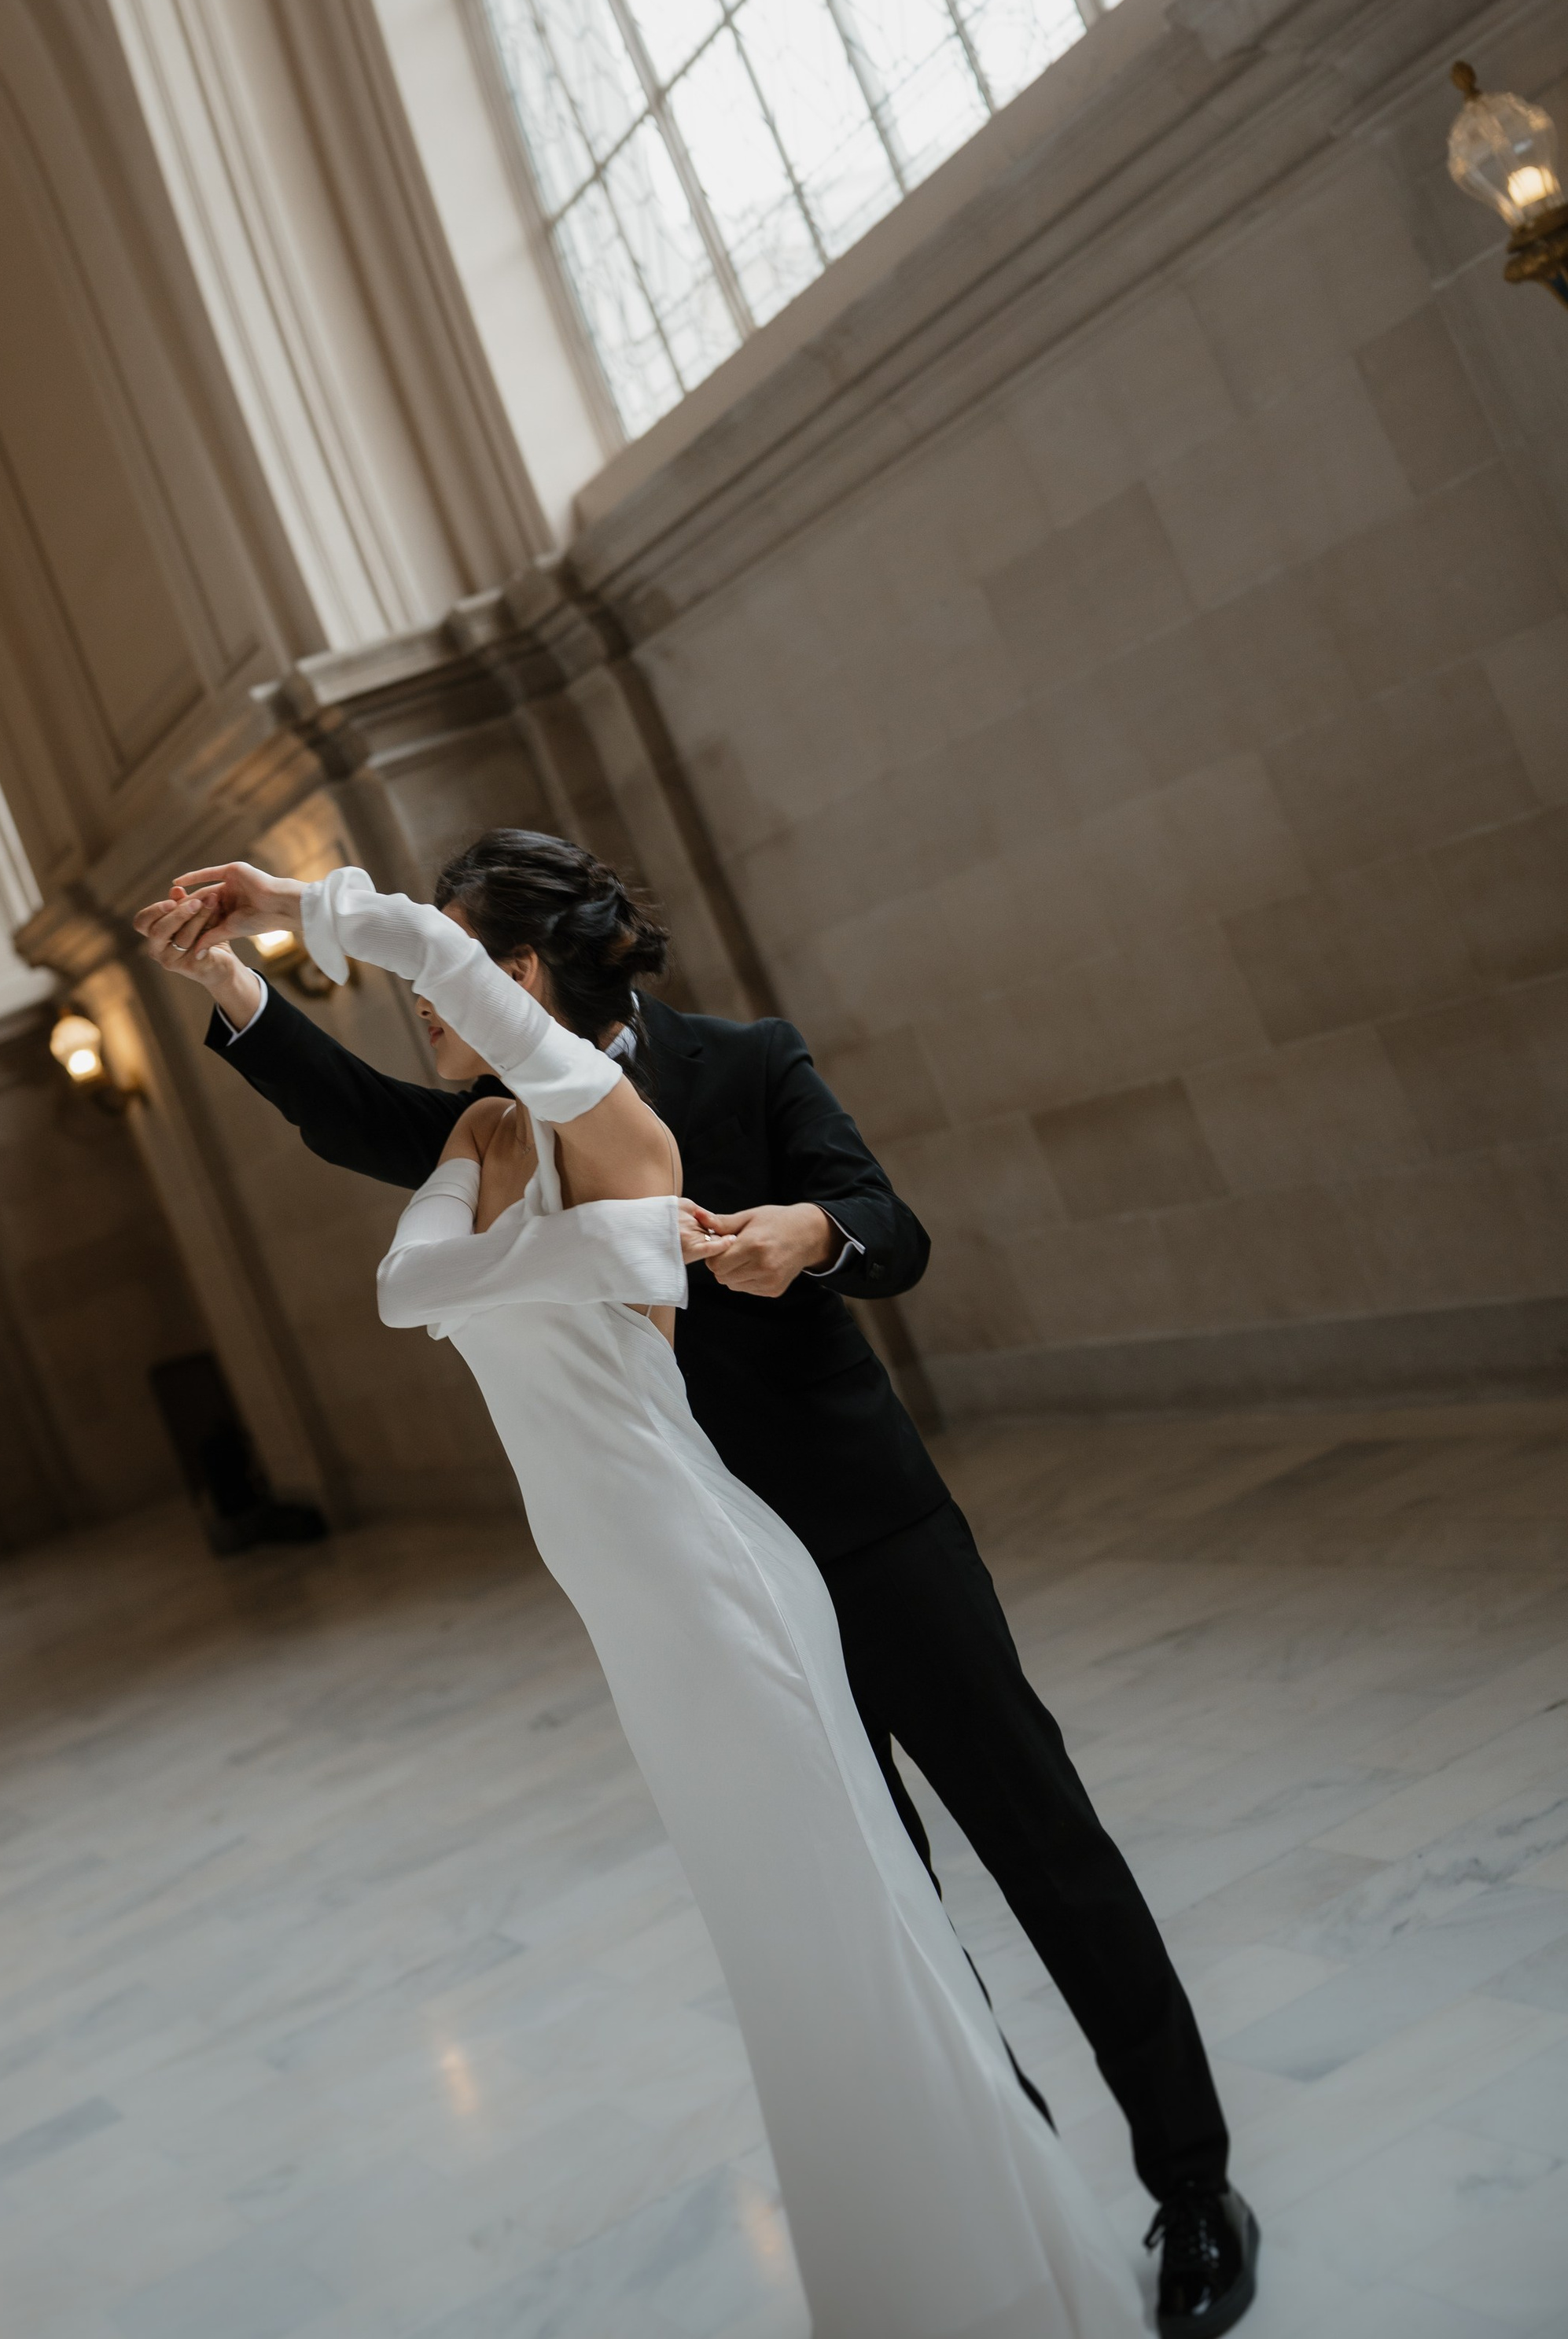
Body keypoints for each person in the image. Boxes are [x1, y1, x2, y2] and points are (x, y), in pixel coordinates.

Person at [135, 836, 1259, 2338]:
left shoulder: (740, 1066)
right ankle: (1016, 2183)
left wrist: (816, 1235)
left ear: (525, 968)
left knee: (1044, 1845)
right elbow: (355, 1121)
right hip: (721, 1582)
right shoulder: (492, 1123)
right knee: (883, 1901)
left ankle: (1195, 2186)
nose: (433, 1004)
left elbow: (894, 1226)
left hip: (865, 1530)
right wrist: (241, 998)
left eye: (466, 965)